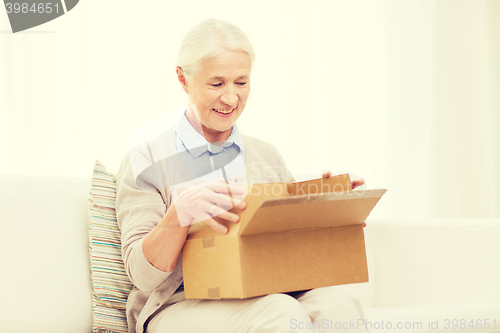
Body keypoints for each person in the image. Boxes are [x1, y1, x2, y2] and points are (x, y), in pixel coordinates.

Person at [115, 18, 368, 333]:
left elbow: (293, 249)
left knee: (337, 306)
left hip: (265, 291)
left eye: (241, 82)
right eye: (217, 83)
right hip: (177, 305)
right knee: (279, 311)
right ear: (183, 80)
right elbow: (143, 276)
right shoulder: (147, 159)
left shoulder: (266, 155)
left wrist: (331, 213)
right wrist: (179, 214)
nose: (231, 99)